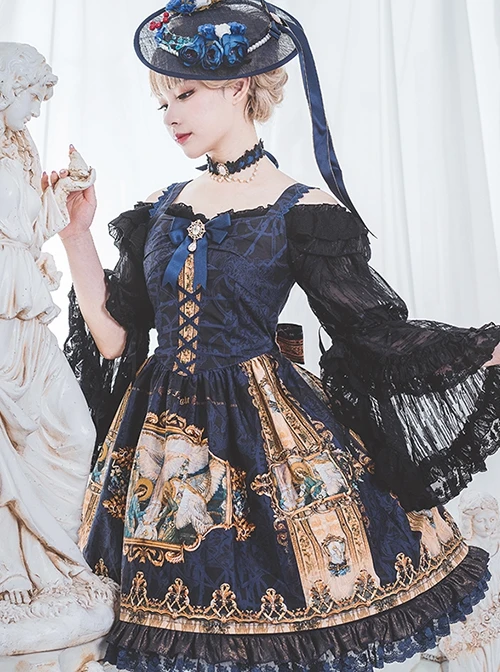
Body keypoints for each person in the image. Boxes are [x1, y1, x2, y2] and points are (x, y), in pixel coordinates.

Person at [57, 0, 500, 669]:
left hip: (262, 435)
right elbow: (115, 340)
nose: (170, 115)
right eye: (163, 101)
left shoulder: (304, 211)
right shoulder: (161, 208)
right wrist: (76, 235)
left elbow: (374, 335)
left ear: (239, 87)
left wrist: (482, 348)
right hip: (151, 454)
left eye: (186, 94)